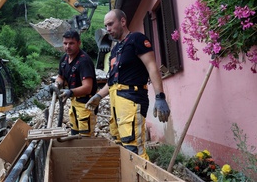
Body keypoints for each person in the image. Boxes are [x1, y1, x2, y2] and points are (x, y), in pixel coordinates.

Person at [85, 9, 170, 160]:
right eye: (106, 26)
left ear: (123, 22)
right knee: (121, 146)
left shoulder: (136, 39)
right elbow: (113, 82)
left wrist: (160, 97)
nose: (108, 29)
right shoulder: (115, 50)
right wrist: (98, 96)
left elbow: (152, 67)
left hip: (132, 100)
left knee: (133, 148)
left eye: (110, 24)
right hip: (116, 103)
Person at [53, 29, 98, 137]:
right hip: (74, 103)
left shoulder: (84, 61)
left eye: (71, 43)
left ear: (79, 43)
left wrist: (70, 92)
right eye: (65, 43)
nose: (67, 46)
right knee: (74, 134)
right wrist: (57, 84)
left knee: (85, 138)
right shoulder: (64, 59)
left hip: (86, 105)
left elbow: (87, 87)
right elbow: (60, 76)